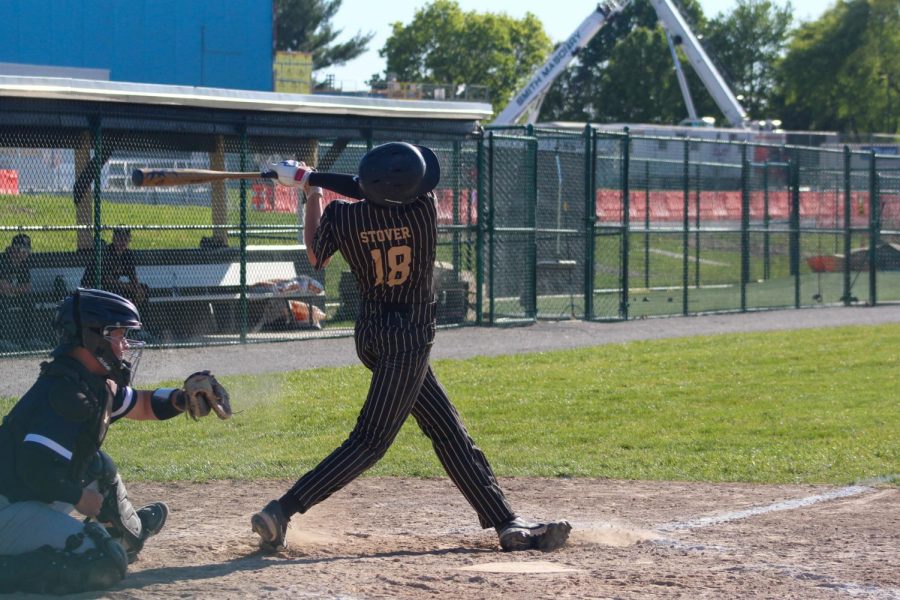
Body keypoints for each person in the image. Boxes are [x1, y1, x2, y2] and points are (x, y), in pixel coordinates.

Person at [251, 142, 571, 553]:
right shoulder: (423, 210)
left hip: (371, 335)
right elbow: (362, 187)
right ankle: (282, 510)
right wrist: (311, 179)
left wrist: (309, 189)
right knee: (370, 441)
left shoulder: (342, 215)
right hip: (410, 337)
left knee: (447, 430)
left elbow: (316, 253)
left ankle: (507, 522)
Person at [0, 288, 231, 594]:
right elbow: (35, 469)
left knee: (97, 468)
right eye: (118, 336)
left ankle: (128, 536)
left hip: (26, 498)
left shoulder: (89, 383)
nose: (124, 345)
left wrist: (181, 399)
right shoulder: (66, 395)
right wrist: (79, 498)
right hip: (9, 510)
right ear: (93, 338)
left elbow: (143, 404)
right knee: (104, 562)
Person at [81, 227, 149, 320]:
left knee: (144, 289)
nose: (122, 242)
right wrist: (128, 287)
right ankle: (117, 324)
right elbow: (107, 279)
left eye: (125, 239)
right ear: (113, 238)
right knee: (116, 291)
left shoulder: (127, 254)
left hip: (114, 286)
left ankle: (136, 322)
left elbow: (132, 276)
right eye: (119, 238)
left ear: (129, 239)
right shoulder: (107, 252)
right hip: (94, 287)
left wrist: (137, 288)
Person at [0, 233, 42, 352]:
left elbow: (27, 287)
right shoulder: (3, 260)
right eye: (22, 250)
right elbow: (2, 286)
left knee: (28, 300)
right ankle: (2, 339)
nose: (25, 253)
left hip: (12, 294)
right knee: (2, 301)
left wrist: (12, 290)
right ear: (14, 249)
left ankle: (29, 338)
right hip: (2, 296)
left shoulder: (24, 263)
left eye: (27, 250)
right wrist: (15, 289)